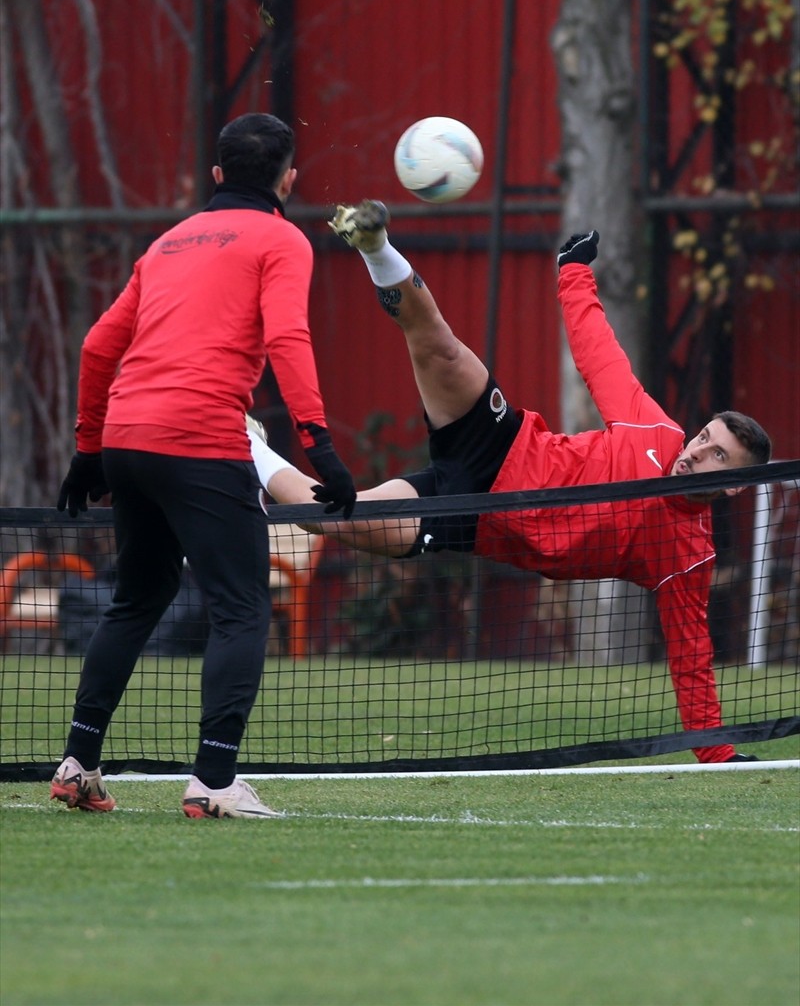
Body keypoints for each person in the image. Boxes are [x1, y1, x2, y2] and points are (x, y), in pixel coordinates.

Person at [249, 200, 773, 764]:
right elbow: (600, 356)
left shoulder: (689, 557)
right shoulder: (654, 429)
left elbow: (690, 653)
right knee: (440, 345)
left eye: (718, 455)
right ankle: (375, 244)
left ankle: (243, 443)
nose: (697, 452)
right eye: (703, 438)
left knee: (332, 517)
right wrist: (573, 272)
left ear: (736, 484)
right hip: (503, 441)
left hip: (472, 517)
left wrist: (715, 751)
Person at [52, 113, 356, 819]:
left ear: (216, 175)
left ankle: (79, 762)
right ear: (289, 180)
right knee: (243, 607)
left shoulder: (167, 242)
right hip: (198, 439)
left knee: (136, 598)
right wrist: (323, 450)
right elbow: (286, 336)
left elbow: (99, 346)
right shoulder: (282, 237)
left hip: (127, 437)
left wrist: (88, 450)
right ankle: (214, 782)